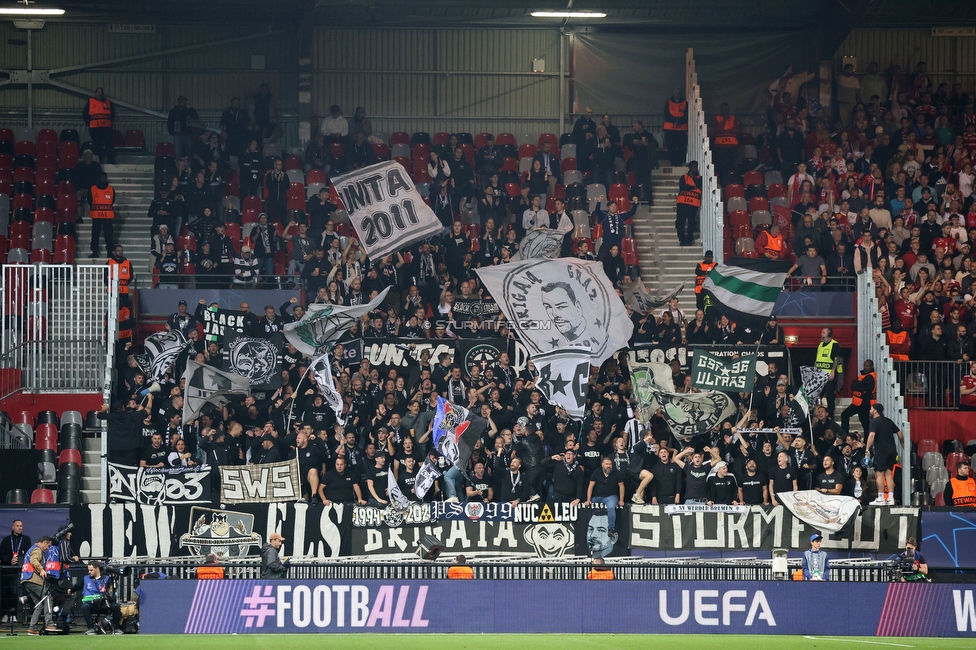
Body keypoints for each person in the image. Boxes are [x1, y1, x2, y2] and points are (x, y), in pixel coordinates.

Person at [864, 403, 904, 505]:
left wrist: (867, 449)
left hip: (881, 451)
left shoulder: (874, 422)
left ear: (876, 411)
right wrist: (903, 444)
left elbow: (872, 435)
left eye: (871, 409)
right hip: (892, 451)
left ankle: (881, 498)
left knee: (879, 474)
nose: (870, 410)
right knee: (889, 474)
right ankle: (890, 498)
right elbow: (899, 433)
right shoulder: (889, 421)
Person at [21, 535, 57, 635]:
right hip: (32, 579)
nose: (48, 548)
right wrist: (41, 569)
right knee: (48, 597)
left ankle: (32, 628)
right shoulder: (37, 550)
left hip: (26, 579)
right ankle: (49, 624)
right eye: (48, 546)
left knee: (39, 604)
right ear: (44, 542)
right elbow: (34, 560)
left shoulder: (31, 549)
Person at [81, 561, 122, 635]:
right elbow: (78, 586)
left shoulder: (107, 578)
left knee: (116, 606)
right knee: (85, 606)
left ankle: (117, 629)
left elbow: (112, 592)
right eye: (88, 570)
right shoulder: (86, 578)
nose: (89, 572)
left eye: (91, 570)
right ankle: (91, 628)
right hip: (93, 604)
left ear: (97, 569)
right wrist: (70, 590)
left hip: (105, 603)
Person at [0, 519, 30, 623]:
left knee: (14, 592)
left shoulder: (26, 540)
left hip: (18, 571)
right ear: (13, 527)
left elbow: (27, 554)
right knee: (5, 593)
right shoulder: (6, 540)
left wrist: (18, 560)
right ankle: (5, 614)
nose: (19, 527)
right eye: (17, 526)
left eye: (21, 526)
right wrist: (10, 560)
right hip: (6, 571)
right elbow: (2, 554)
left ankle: (13, 614)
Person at [585, 457, 624, 534]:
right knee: (589, 507)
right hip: (597, 497)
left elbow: (621, 486)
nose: (608, 466)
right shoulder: (596, 472)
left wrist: (621, 500)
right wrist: (588, 499)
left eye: (610, 464)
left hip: (611, 496)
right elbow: (591, 486)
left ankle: (611, 528)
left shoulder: (617, 473)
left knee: (611, 508)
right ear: (602, 465)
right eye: (606, 464)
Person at [841, 359, 876, 436]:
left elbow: (859, 385)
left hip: (864, 404)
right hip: (857, 403)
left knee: (865, 424)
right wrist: (857, 385)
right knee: (844, 415)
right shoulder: (863, 375)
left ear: (871, 366)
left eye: (867, 366)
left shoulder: (870, 376)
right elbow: (853, 385)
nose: (865, 367)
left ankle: (867, 443)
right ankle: (844, 436)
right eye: (865, 366)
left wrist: (857, 384)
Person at [83, 87, 116, 164]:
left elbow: (113, 113)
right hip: (95, 129)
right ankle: (98, 161)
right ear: (95, 93)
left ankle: (110, 160)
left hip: (106, 128)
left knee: (109, 144)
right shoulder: (90, 102)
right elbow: (84, 114)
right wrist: (90, 123)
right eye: (98, 92)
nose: (100, 94)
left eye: (101, 92)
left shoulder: (108, 102)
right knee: (97, 145)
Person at [816, 328, 844, 417]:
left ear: (829, 334)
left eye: (823, 332)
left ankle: (830, 416)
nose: (821, 334)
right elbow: (817, 359)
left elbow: (837, 359)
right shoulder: (820, 344)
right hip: (820, 376)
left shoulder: (834, 344)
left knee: (829, 397)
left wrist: (833, 372)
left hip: (829, 376)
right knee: (817, 396)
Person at [88, 172, 116, 258]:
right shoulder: (92, 189)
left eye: (105, 178)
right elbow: (90, 200)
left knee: (109, 235)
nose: (103, 179)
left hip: (107, 216)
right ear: (99, 178)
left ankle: (110, 252)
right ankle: (95, 251)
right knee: (95, 234)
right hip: (96, 216)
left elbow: (113, 200)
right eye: (102, 178)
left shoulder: (111, 189)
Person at [675, 160, 702, 246]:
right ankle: (682, 240)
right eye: (694, 167)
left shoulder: (699, 178)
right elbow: (683, 187)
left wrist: (693, 179)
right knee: (680, 222)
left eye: (696, 167)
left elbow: (699, 185)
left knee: (691, 223)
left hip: (693, 205)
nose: (695, 168)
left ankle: (689, 239)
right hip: (682, 204)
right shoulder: (684, 177)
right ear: (690, 168)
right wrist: (693, 187)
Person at [167, 95, 199, 160]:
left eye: (184, 101)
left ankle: (189, 168)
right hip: (178, 135)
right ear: (178, 102)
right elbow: (170, 122)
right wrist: (172, 132)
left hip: (188, 135)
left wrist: (191, 109)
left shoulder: (189, 110)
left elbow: (196, 117)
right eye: (181, 100)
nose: (183, 102)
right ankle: (179, 168)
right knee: (178, 153)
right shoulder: (174, 111)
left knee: (190, 153)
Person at [663, 87, 688, 165]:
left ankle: (680, 162)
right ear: (674, 94)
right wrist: (675, 121)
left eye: (678, 93)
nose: (677, 94)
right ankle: (673, 162)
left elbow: (687, 115)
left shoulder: (685, 103)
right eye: (676, 93)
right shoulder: (668, 103)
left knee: (682, 148)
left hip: (681, 130)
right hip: (670, 130)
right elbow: (666, 114)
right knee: (671, 147)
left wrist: (679, 121)